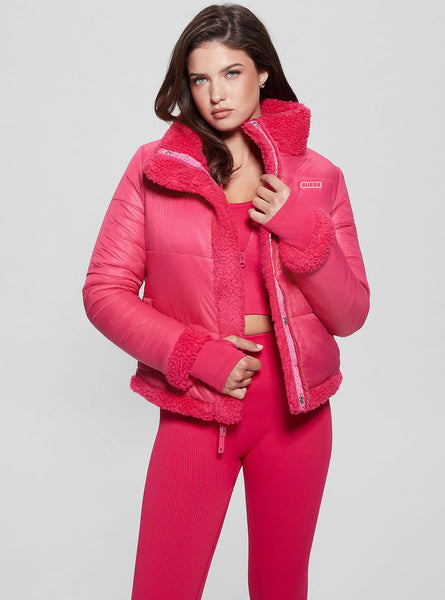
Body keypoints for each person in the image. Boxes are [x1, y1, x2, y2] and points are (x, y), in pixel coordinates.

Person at [82, 4, 370, 599]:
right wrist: (196, 354)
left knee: (280, 588)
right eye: (200, 78)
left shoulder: (319, 176)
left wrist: (299, 226)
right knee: (162, 588)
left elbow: (350, 315)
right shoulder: (156, 169)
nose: (216, 94)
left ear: (262, 72)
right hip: (199, 405)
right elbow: (104, 290)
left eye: (232, 73)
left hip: (295, 411)